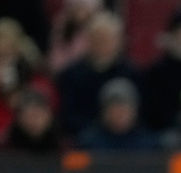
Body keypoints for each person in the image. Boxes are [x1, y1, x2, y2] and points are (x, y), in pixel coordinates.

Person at [55, 10, 139, 138]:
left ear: (118, 42)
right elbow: (68, 116)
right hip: (87, 139)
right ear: (88, 41)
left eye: (107, 39)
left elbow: (142, 115)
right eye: (98, 39)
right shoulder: (71, 75)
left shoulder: (131, 73)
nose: (102, 44)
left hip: (129, 141)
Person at [76, 76, 158, 150]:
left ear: (135, 112)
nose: (118, 115)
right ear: (103, 112)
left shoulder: (150, 144)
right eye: (113, 110)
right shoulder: (88, 143)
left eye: (123, 110)